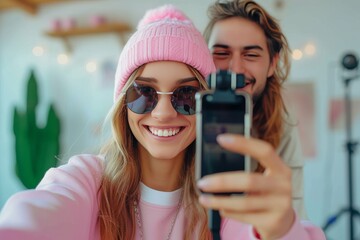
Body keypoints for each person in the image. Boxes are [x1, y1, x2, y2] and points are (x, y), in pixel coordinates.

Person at [0, 4, 325, 240]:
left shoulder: (225, 195)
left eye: (185, 94)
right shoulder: (87, 180)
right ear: (122, 105)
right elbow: (30, 219)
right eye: (144, 93)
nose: (164, 112)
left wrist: (284, 230)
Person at [202, 0, 307, 219]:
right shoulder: (182, 114)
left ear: (272, 64)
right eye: (221, 53)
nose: (236, 69)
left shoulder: (282, 124)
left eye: (251, 55)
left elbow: (295, 214)